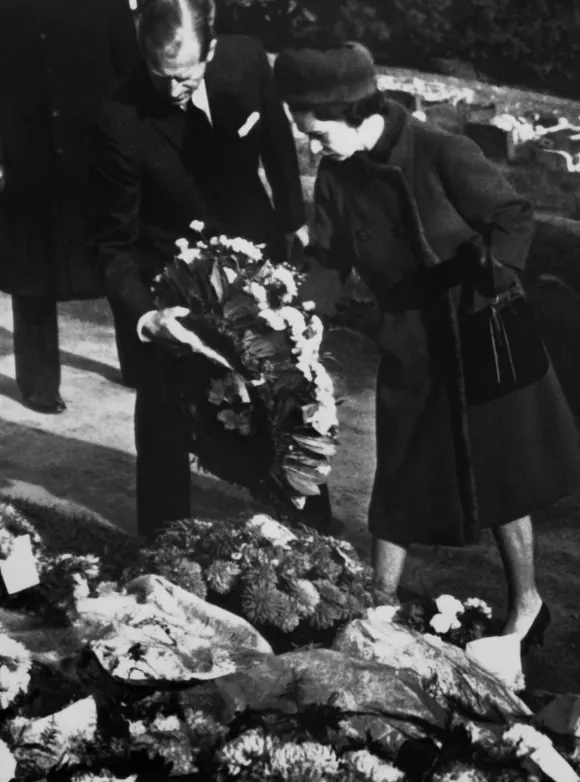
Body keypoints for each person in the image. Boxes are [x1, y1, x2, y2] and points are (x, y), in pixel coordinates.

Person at [273, 41, 580, 650]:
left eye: (318, 132)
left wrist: (487, 272)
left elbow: (515, 215)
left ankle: (527, 605)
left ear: (358, 113)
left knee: (501, 477)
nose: (313, 147)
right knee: (398, 475)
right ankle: (376, 606)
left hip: (478, 332)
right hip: (410, 341)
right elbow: (329, 261)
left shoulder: (443, 151)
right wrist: (295, 312)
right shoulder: (339, 175)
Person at [87, 0, 331, 538]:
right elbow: (112, 243)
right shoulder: (118, 119)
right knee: (166, 418)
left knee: (287, 398)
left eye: (186, 77)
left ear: (213, 50)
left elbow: (274, 142)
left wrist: (294, 219)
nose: (173, 90)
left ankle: (313, 536)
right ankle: (162, 548)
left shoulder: (245, 60)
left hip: (256, 258)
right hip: (172, 280)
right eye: (160, 75)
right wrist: (145, 318)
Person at [0, 0, 139, 413]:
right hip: (26, 149)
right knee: (32, 267)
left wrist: (136, 141)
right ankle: (38, 380)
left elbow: (130, 68)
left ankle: (138, 360)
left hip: (96, 146)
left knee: (118, 252)